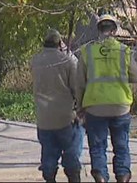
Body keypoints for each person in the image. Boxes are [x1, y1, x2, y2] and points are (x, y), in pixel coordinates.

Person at [75, 14, 137, 183]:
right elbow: (136, 76)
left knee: (98, 147)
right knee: (121, 146)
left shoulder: (87, 51)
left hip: (95, 106)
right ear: (115, 30)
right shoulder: (124, 51)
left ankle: (101, 177)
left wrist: (80, 107)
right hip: (120, 106)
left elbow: (79, 83)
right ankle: (123, 176)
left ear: (98, 30)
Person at [30, 29, 83, 183]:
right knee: (71, 149)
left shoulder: (35, 61)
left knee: (48, 151)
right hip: (65, 117)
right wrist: (81, 109)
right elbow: (77, 87)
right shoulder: (66, 60)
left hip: (43, 117)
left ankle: (48, 172)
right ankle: (73, 174)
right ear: (60, 43)